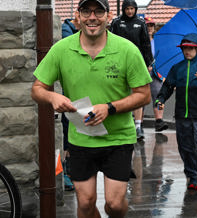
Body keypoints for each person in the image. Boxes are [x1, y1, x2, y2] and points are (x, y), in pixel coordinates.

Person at [31, 0, 152, 216]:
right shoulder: (62, 49)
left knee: (114, 205)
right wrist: (52, 97)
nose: (92, 17)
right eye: (86, 11)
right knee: (85, 204)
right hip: (81, 138)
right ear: (78, 15)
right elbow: (37, 89)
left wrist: (109, 108)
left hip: (118, 138)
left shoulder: (127, 50)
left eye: (98, 11)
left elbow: (144, 95)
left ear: (109, 15)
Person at [155, 33, 197, 194]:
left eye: (191, 48)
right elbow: (167, 86)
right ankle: (192, 176)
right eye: (185, 48)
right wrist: (161, 98)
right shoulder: (177, 68)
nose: (187, 51)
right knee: (185, 147)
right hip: (181, 115)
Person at [109, 0, 154, 140]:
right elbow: (109, 42)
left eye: (132, 9)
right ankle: (120, 124)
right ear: (123, 9)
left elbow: (146, 43)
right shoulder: (116, 22)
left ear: (135, 9)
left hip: (137, 63)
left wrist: (148, 63)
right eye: (127, 9)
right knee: (120, 93)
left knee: (137, 93)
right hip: (119, 62)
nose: (129, 11)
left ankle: (138, 125)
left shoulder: (140, 23)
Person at [61, 13, 81, 191]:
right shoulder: (66, 31)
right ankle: (66, 171)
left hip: (78, 91)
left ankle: (72, 169)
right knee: (67, 132)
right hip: (67, 92)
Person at [145, 17, 169, 132]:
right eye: (147, 26)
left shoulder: (157, 42)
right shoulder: (141, 41)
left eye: (151, 26)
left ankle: (159, 120)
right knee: (142, 98)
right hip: (143, 73)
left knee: (159, 97)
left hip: (156, 74)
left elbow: (163, 57)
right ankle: (138, 123)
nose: (149, 28)